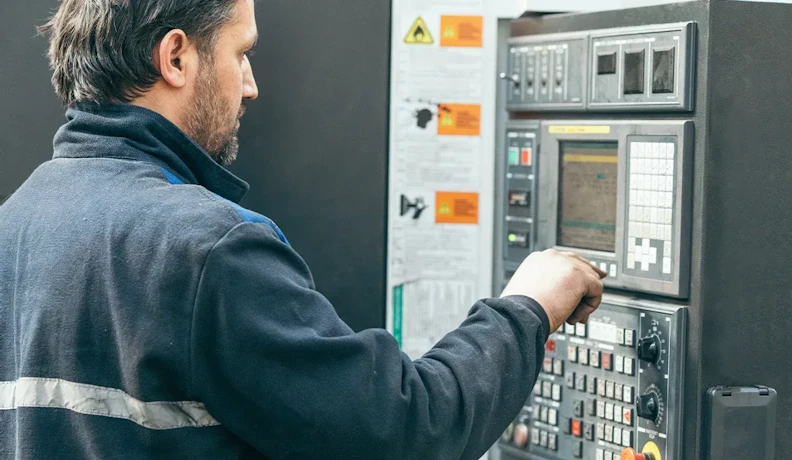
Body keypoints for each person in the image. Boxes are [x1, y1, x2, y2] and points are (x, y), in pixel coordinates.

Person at [0, 0, 606, 458]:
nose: (250, 85)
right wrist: (528, 307)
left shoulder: (15, 222)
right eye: (241, 53)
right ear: (176, 57)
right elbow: (407, 432)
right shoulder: (208, 249)